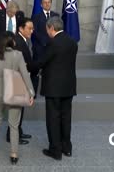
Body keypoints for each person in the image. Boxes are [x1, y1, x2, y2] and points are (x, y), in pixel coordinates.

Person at [32, 17, 77, 161]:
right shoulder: (72, 42)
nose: (47, 32)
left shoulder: (52, 43)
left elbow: (42, 61)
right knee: (66, 118)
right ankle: (67, 148)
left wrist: (28, 67)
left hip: (53, 87)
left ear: (51, 28)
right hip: (68, 86)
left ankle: (55, 150)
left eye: (47, 29)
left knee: (53, 119)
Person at [0, 31, 35, 165]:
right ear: (12, 42)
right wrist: (31, 93)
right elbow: (25, 76)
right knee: (14, 125)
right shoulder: (18, 55)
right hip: (14, 92)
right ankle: (14, 154)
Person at [6, 17, 38, 145]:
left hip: (21, 78)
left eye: (32, 28)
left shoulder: (22, 40)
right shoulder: (18, 42)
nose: (32, 31)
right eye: (29, 28)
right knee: (16, 110)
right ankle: (12, 135)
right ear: (21, 28)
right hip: (18, 79)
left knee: (20, 109)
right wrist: (38, 67)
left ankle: (18, 131)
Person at [0, 1, 25, 99]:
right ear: (7, 9)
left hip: (14, 46)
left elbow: (22, 29)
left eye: (14, 13)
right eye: (11, 13)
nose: (13, 15)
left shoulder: (20, 15)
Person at [31, 0, 59, 96]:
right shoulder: (36, 17)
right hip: (39, 48)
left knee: (51, 71)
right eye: (45, 2)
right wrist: (43, 41)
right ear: (41, 5)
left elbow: (58, 30)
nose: (47, 4)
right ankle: (33, 93)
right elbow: (34, 31)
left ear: (51, 3)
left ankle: (49, 91)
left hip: (53, 48)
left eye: (49, 2)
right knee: (35, 72)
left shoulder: (56, 16)